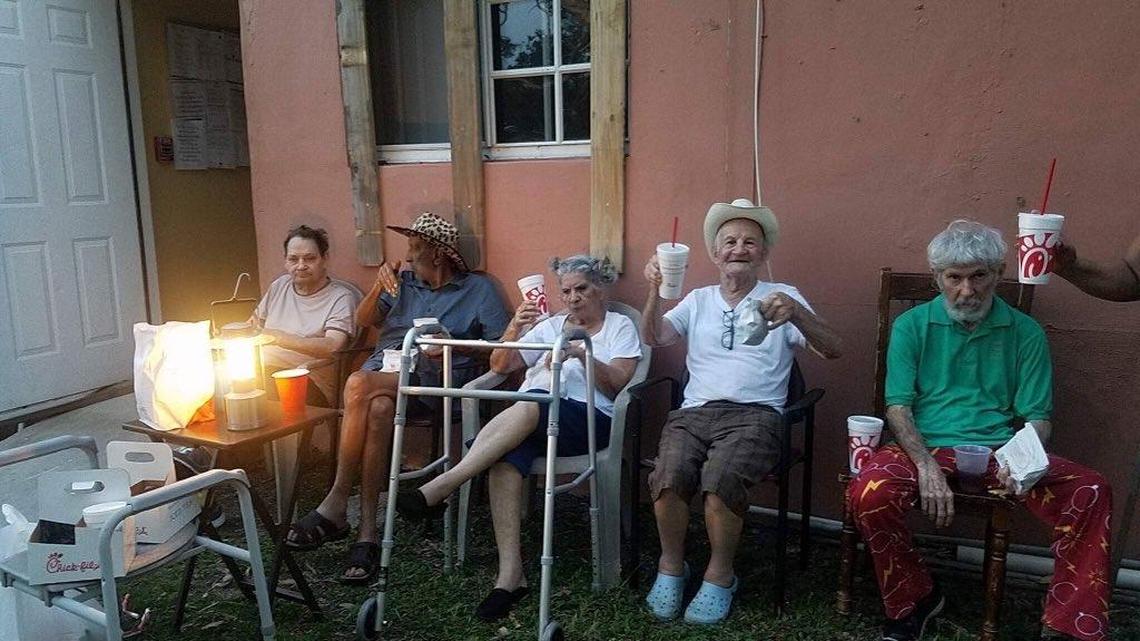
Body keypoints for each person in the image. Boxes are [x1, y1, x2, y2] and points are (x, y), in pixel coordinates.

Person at [848, 220, 1113, 641]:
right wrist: (924, 466)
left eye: (979, 277)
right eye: (954, 278)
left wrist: (1020, 458)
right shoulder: (912, 326)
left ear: (999, 274)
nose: (967, 291)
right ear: (938, 278)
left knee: (1091, 488)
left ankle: (1069, 624)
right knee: (869, 491)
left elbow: (1038, 416)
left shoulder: (1025, 332)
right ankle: (913, 598)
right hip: (923, 446)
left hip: (997, 451)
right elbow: (898, 406)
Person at [396, 255, 642, 621]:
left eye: (582, 289)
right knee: (505, 459)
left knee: (528, 407)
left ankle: (444, 484)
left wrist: (581, 355)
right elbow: (499, 367)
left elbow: (619, 385)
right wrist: (514, 328)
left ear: (600, 289)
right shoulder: (550, 325)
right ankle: (511, 577)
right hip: (534, 419)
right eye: (567, 291)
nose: (573, 298)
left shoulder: (619, 326)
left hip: (587, 421)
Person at [641, 198, 842, 625]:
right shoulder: (696, 300)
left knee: (720, 480)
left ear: (764, 253)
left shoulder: (782, 296)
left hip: (757, 416)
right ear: (715, 254)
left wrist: (798, 315)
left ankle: (721, 575)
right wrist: (654, 292)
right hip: (694, 413)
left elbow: (833, 349)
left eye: (750, 242)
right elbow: (655, 336)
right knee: (668, 476)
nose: (739, 248)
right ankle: (672, 567)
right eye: (729, 241)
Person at [285, 212, 511, 585]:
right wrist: (378, 286)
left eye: (415, 249)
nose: (407, 258)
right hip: (387, 376)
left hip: (434, 385)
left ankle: (338, 499)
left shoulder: (478, 290)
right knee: (377, 408)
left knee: (358, 386)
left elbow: (500, 350)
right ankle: (368, 533)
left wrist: (454, 347)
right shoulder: (403, 283)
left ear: (437, 254)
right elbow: (363, 319)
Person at [254, 225, 359, 405]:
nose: (301, 266)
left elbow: (333, 346)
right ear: (285, 261)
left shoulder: (341, 297)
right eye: (293, 259)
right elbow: (253, 326)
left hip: (306, 376)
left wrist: (282, 339)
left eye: (309, 259)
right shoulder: (280, 286)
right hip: (260, 367)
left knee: (252, 387)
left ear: (324, 259)